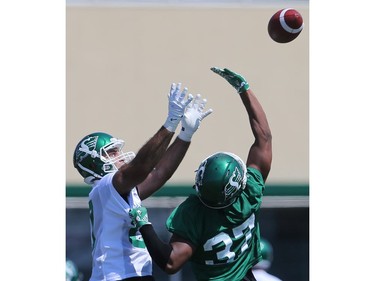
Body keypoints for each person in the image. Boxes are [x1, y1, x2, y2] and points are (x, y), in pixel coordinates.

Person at [129, 67, 273, 281]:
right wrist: (244, 90)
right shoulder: (249, 193)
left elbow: (170, 262)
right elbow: (264, 137)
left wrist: (145, 225)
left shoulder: (194, 213)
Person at [73, 82, 213, 281]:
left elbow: (159, 173)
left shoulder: (119, 191)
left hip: (135, 275)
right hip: (116, 277)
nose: (120, 156)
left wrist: (185, 134)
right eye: (112, 152)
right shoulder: (104, 186)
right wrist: (170, 123)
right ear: (94, 161)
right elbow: (141, 168)